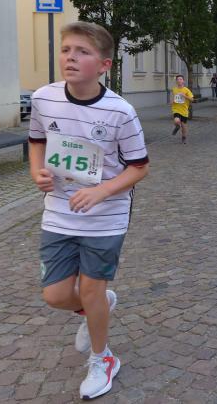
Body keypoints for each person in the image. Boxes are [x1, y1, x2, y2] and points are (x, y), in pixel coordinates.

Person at [28, 21, 149, 400]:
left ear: (104, 65)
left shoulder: (120, 112)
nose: (71, 57)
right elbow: (36, 140)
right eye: (66, 50)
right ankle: (96, 307)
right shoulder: (44, 98)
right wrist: (36, 171)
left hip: (106, 215)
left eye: (82, 52)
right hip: (58, 211)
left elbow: (139, 167)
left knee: (92, 288)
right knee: (55, 295)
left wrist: (101, 192)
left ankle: (102, 359)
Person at [170, 74, 193, 144]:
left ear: (183, 81)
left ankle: (184, 137)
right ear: (176, 81)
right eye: (178, 79)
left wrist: (185, 96)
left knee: (183, 126)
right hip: (176, 109)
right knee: (176, 120)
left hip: (184, 110)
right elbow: (171, 99)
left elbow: (192, 99)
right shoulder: (174, 89)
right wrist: (172, 101)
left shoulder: (186, 90)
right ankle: (177, 126)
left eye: (180, 79)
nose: (179, 81)